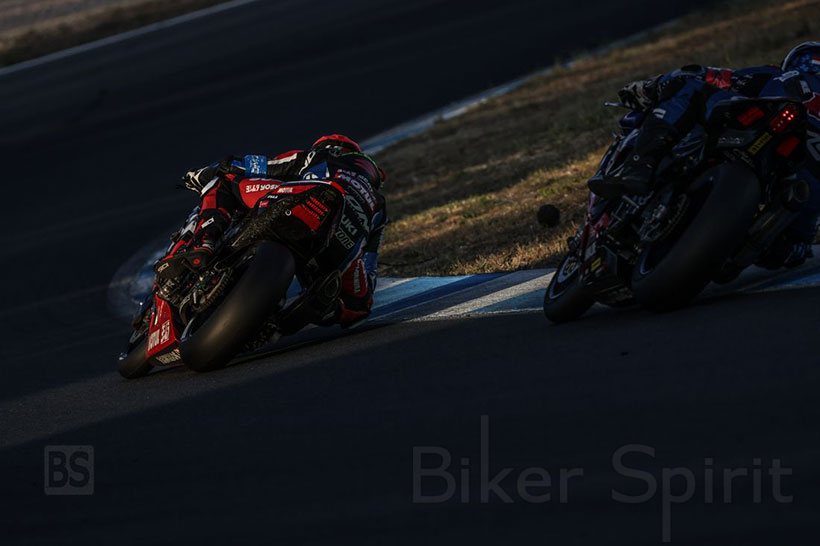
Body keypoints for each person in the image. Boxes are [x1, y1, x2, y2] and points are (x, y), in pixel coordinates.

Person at [588, 42, 820, 267]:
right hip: (797, 178)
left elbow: (705, 75)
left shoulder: (779, 76)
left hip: (750, 132)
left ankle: (639, 165)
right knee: (791, 247)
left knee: (689, 86)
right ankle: (755, 243)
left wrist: (651, 87)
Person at [156, 134, 387, 327]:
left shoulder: (321, 156)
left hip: (301, 200)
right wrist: (356, 289)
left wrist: (210, 171)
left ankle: (204, 241)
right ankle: (320, 305)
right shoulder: (379, 204)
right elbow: (370, 261)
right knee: (358, 307)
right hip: (343, 246)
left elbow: (260, 166)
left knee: (225, 181)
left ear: (333, 148)